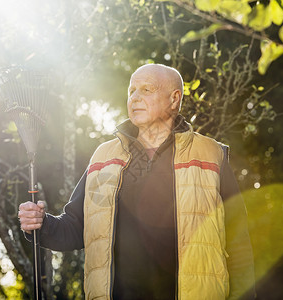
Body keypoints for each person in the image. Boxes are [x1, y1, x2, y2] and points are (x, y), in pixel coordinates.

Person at [18, 64, 255, 299]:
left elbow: (238, 244)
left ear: (174, 99)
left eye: (146, 90)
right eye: (132, 91)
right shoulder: (104, 157)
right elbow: (75, 228)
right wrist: (41, 224)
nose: (135, 98)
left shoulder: (211, 154)